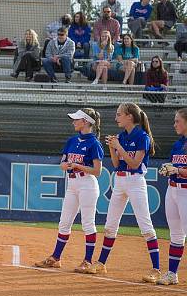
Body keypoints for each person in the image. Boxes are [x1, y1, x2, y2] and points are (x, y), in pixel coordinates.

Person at [88, 103, 161, 282]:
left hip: (135, 181)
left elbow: (135, 164)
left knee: (146, 226)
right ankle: (101, 263)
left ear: (130, 116)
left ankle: (156, 269)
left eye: (119, 114)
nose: (116, 118)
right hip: (119, 180)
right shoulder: (122, 136)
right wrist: (112, 148)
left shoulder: (142, 136)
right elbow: (116, 164)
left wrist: (119, 146)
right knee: (110, 224)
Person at [34, 109, 104, 273]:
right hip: (72, 184)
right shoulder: (72, 140)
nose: (73, 122)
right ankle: (55, 258)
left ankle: (87, 261)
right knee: (64, 222)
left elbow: (97, 171)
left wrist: (78, 166)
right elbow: (63, 163)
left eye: (76, 119)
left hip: (87, 183)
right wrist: (65, 166)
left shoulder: (94, 143)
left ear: (85, 122)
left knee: (88, 223)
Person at [155, 108, 187, 284]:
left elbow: (181, 169)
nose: (174, 124)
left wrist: (178, 170)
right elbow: (175, 166)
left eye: (177, 121)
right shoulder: (177, 144)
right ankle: (172, 274)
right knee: (175, 234)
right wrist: (169, 169)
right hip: (172, 190)